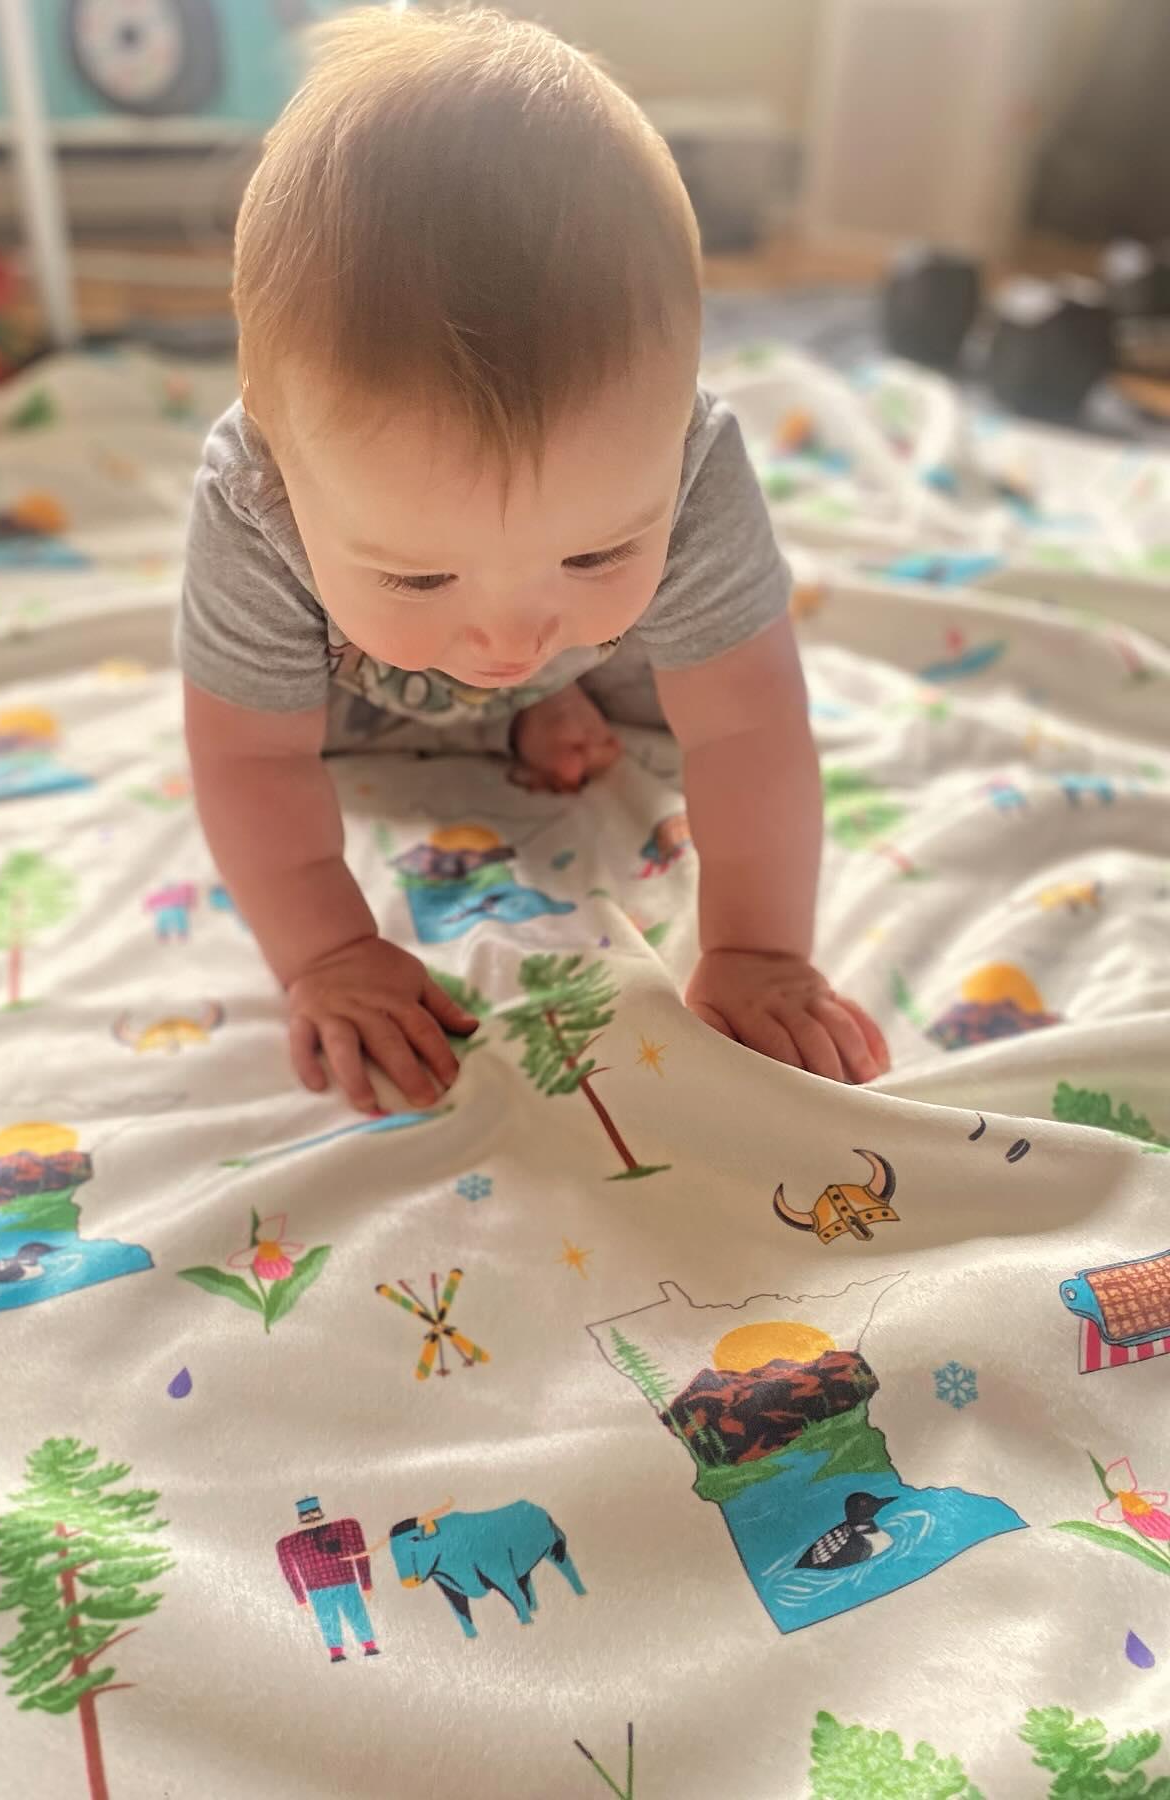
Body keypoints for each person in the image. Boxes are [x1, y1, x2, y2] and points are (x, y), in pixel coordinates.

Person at [180, 6, 890, 1110]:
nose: (509, 634)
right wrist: (325, 953)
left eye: (595, 545)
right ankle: (529, 674)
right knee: (346, 713)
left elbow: (747, 721)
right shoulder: (252, 502)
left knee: (641, 657)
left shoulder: (687, 465)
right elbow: (249, 760)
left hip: (602, 665)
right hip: (351, 693)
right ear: (284, 471)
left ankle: (537, 688)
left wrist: (759, 949)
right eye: (420, 573)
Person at [275, 1496, 380, 1665]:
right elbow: (289, 1570)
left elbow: (360, 1552)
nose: (311, 1518)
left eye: (314, 1512)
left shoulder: (344, 1528)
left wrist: (366, 1582)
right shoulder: (290, 1543)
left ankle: (369, 1645)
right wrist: (300, 1597)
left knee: (356, 1613)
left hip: (346, 1583)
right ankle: (336, 1651)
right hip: (317, 1589)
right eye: (306, 1515)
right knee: (327, 1618)